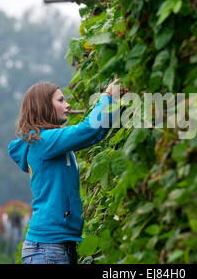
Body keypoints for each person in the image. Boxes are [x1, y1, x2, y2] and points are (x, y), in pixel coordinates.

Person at [8, 76, 120, 264]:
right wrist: (107, 95)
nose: (67, 105)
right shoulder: (42, 142)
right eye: (61, 100)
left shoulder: (48, 143)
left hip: (56, 247)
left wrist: (115, 104)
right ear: (44, 106)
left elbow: (96, 134)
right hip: (47, 248)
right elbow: (88, 130)